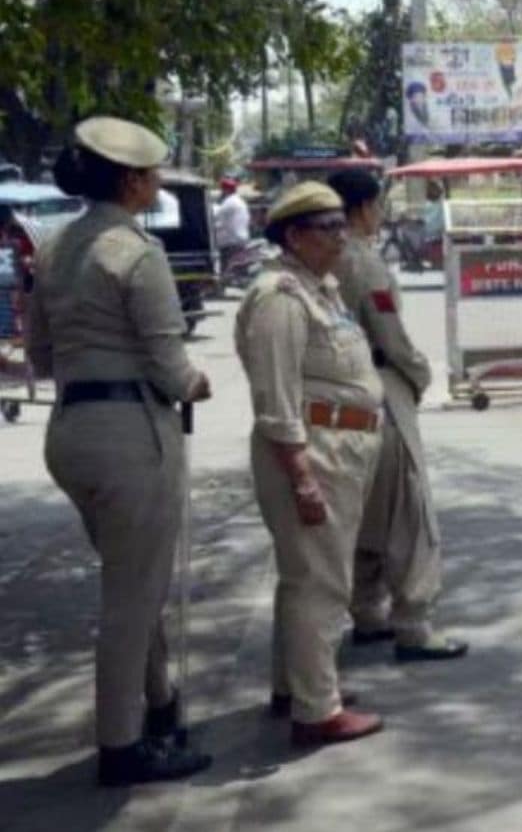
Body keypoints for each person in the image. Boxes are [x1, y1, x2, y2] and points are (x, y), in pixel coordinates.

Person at [26, 117, 214, 785]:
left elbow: (41, 354)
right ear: (133, 181)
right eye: (154, 173)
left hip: (72, 429)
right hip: (131, 433)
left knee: (135, 583)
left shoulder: (54, 247)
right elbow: (171, 365)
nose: (159, 182)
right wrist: (198, 382)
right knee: (131, 599)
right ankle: (122, 745)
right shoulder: (136, 253)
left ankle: (159, 705)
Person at [235, 182, 386, 747]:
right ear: (294, 236)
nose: (341, 236)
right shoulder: (279, 297)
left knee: (309, 576)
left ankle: (299, 686)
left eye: (341, 225)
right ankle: (316, 710)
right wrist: (300, 477)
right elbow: (275, 401)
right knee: (320, 583)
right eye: (327, 228)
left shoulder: (319, 289)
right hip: (312, 451)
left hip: (339, 447)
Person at [325, 169, 467, 663]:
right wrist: (421, 374)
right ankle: (414, 622)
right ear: (363, 209)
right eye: (377, 205)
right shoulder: (363, 263)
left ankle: (367, 612)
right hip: (381, 387)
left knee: (365, 508)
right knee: (408, 509)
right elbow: (391, 335)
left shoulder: (317, 260)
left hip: (337, 396)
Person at [214, 177, 251, 261]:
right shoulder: (240, 201)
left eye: (222, 189)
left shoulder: (228, 203)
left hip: (231, 244)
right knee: (239, 269)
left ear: (226, 190)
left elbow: (215, 218)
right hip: (240, 241)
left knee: (229, 271)